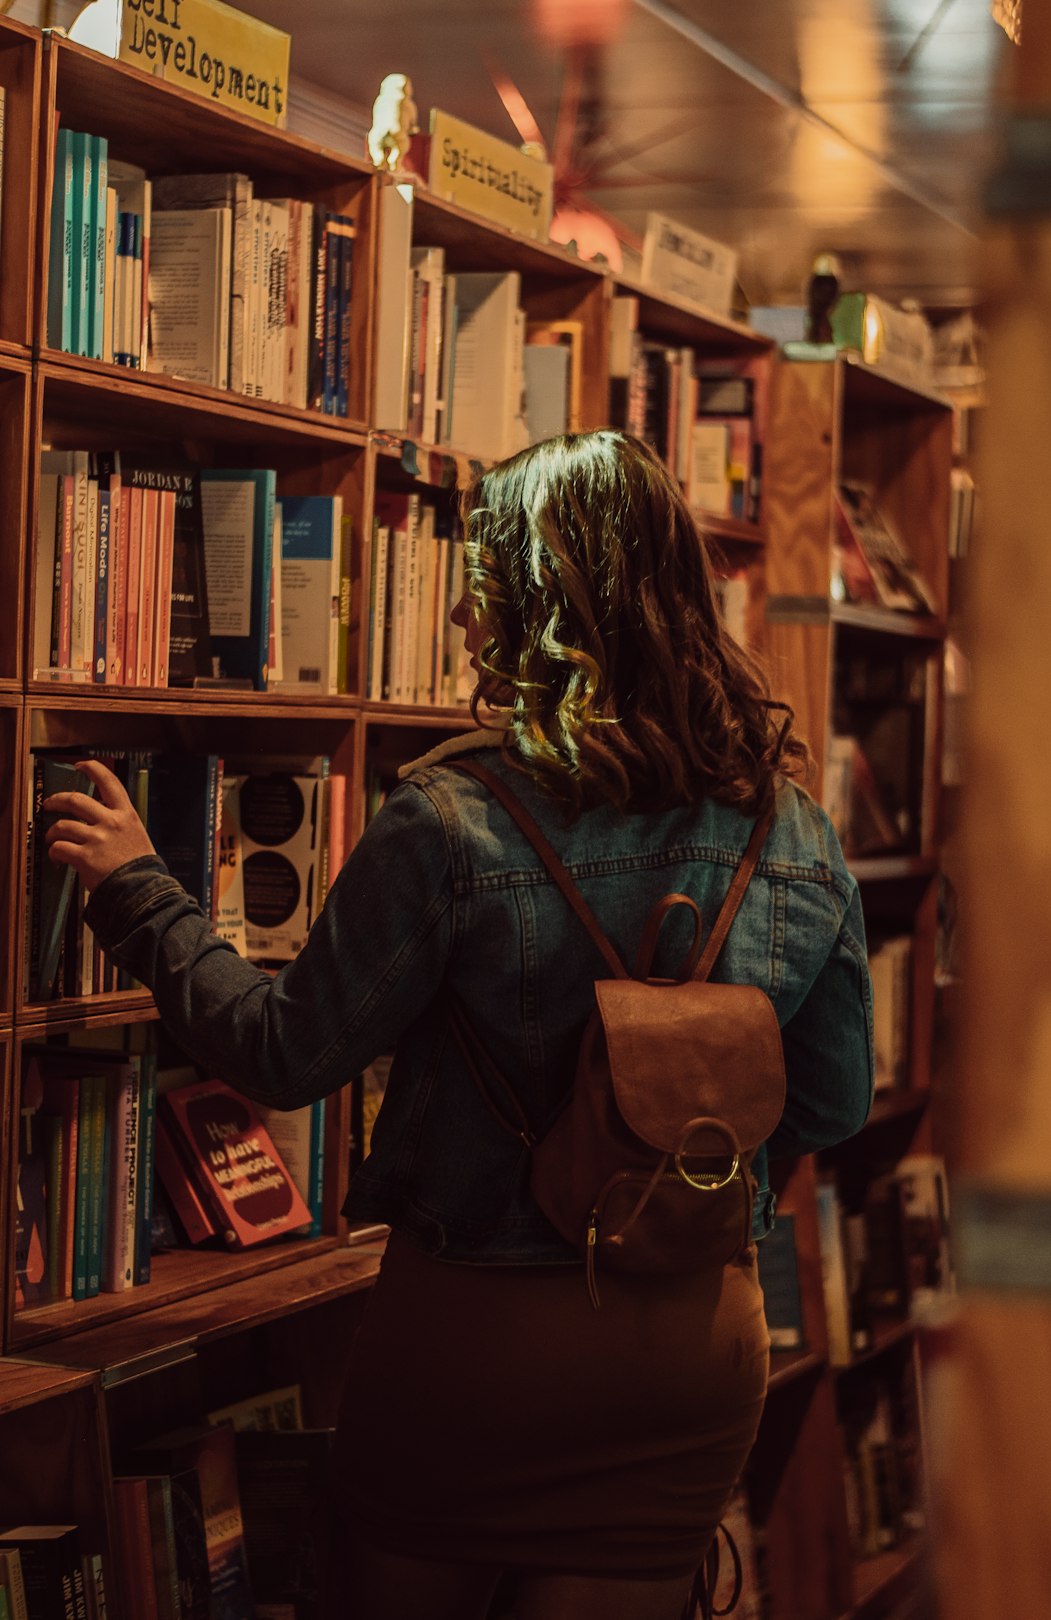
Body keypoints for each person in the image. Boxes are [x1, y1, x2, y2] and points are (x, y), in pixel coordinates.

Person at [45, 430, 873, 1620]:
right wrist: (658, 1155)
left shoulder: (451, 817)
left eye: (482, 587)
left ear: (535, 603)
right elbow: (832, 1103)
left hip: (477, 1349)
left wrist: (139, 890)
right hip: (688, 1349)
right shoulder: (791, 828)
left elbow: (287, 1055)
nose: (464, 624)